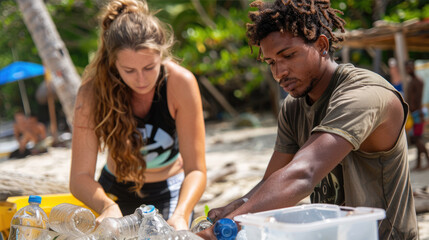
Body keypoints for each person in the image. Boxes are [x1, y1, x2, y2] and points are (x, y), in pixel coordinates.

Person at [198, 0, 418, 239]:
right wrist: (238, 206)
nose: (279, 72)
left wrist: (220, 230)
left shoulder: (364, 95)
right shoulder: (294, 107)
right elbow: (275, 180)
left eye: (289, 55)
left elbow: (302, 175)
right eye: (271, 62)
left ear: (322, 45)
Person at [69, 0, 206, 230]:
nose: (141, 80)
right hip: (112, 192)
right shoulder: (92, 92)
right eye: (129, 71)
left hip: (169, 191)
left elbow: (196, 170)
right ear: (113, 63)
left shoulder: (180, 83)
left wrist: (182, 214)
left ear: (162, 54)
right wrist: (105, 207)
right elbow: (79, 177)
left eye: (149, 67)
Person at [406, 59, 429, 170]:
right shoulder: (412, 81)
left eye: (410, 66)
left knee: (417, 139)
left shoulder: (417, 82)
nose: (408, 69)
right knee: (416, 139)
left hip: (417, 114)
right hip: (414, 114)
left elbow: (418, 100)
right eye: (407, 67)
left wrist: (419, 113)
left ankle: (427, 161)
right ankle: (419, 164)